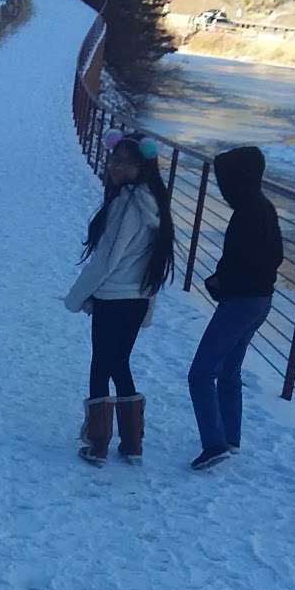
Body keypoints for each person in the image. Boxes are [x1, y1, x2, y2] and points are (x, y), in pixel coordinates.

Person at [64, 130, 175, 465]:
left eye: (125, 163)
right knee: (119, 362)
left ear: (142, 166)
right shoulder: (155, 202)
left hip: (113, 298)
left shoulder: (127, 204)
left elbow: (107, 258)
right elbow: (152, 263)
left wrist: (76, 297)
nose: (115, 167)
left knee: (102, 365)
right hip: (136, 298)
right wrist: (148, 307)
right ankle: (132, 443)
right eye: (114, 160)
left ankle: (98, 444)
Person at [187, 146, 283, 470]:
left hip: (240, 303)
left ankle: (214, 444)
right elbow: (273, 258)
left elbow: (239, 265)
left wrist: (220, 284)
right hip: (260, 301)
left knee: (200, 373)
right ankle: (231, 437)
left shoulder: (247, 213)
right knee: (229, 369)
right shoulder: (263, 207)